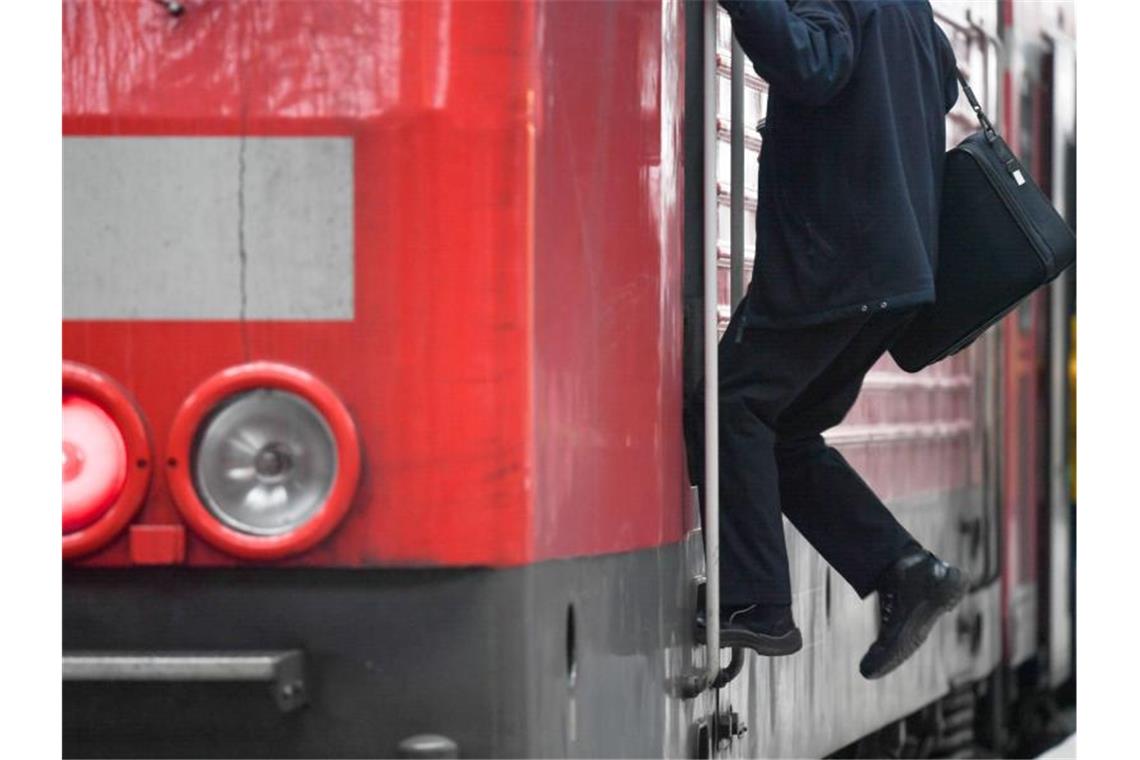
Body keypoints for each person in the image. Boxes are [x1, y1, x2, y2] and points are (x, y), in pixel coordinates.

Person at [688, 0, 967, 680]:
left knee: (731, 405)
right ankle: (903, 569)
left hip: (837, 262)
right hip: (893, 274)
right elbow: (946, 81)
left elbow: (812, 63)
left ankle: (758, 603)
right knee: (784, 430)